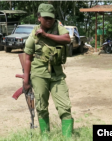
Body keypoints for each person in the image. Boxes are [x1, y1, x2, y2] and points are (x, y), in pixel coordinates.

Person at [23, 3, 73, 138]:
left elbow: (67, 39)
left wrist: (46, 35)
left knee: (65, 107)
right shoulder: (33, 34)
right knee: (41, 107)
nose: (49, 20)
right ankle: (45, 137)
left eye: (51, 17)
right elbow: (28, 58)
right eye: (45, 18)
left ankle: (67, 138)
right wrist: (26, 80)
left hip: (57, 74)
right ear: (39, 17)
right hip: (39, 73)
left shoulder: (58, 27)